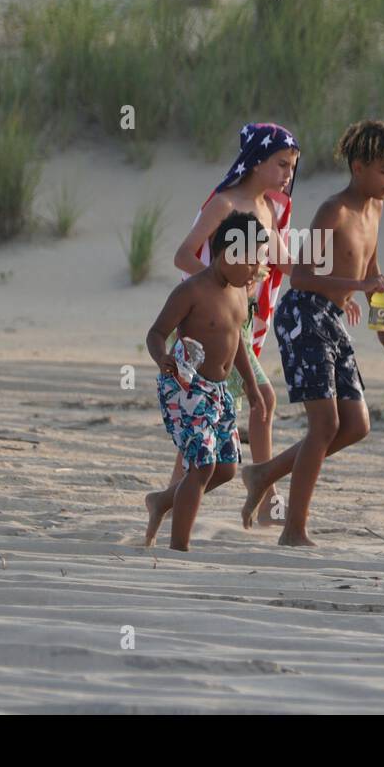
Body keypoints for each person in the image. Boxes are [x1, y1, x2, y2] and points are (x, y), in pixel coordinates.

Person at [240, 120, 384, 546]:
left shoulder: (376, 208)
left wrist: (381, 329)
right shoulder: (333, 211)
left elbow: (369, 268)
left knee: (356, 425)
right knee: (325, 425)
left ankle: (264, 472)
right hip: (302, 315)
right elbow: (299, 278)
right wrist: (356, 287)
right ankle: (294, 531)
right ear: (358, 167)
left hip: (332, 318)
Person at [171, 123, 300, 526]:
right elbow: (183, 255)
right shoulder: (225, 204)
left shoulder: (268, 209)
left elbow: (285, 263)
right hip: (210, 325)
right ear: (256, 161)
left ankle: (175, 497)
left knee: (215, 412)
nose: (287, 175)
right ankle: (263, 496)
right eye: (281, 165)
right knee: (251, 401)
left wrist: (342, 283)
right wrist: (223, 286)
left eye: (293, 168)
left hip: (238, 327)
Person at [144, 211, 269, 551]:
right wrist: (161, 357)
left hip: (218, 391)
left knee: (226, 468)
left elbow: (238, 341)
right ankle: (178, 547)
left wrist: (252, 386)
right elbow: (156, 332)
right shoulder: (193, 291)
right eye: (250, 261)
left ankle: (163, 502)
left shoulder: (241, 293)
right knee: (202, 465)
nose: (256, 270)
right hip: (186, 387)